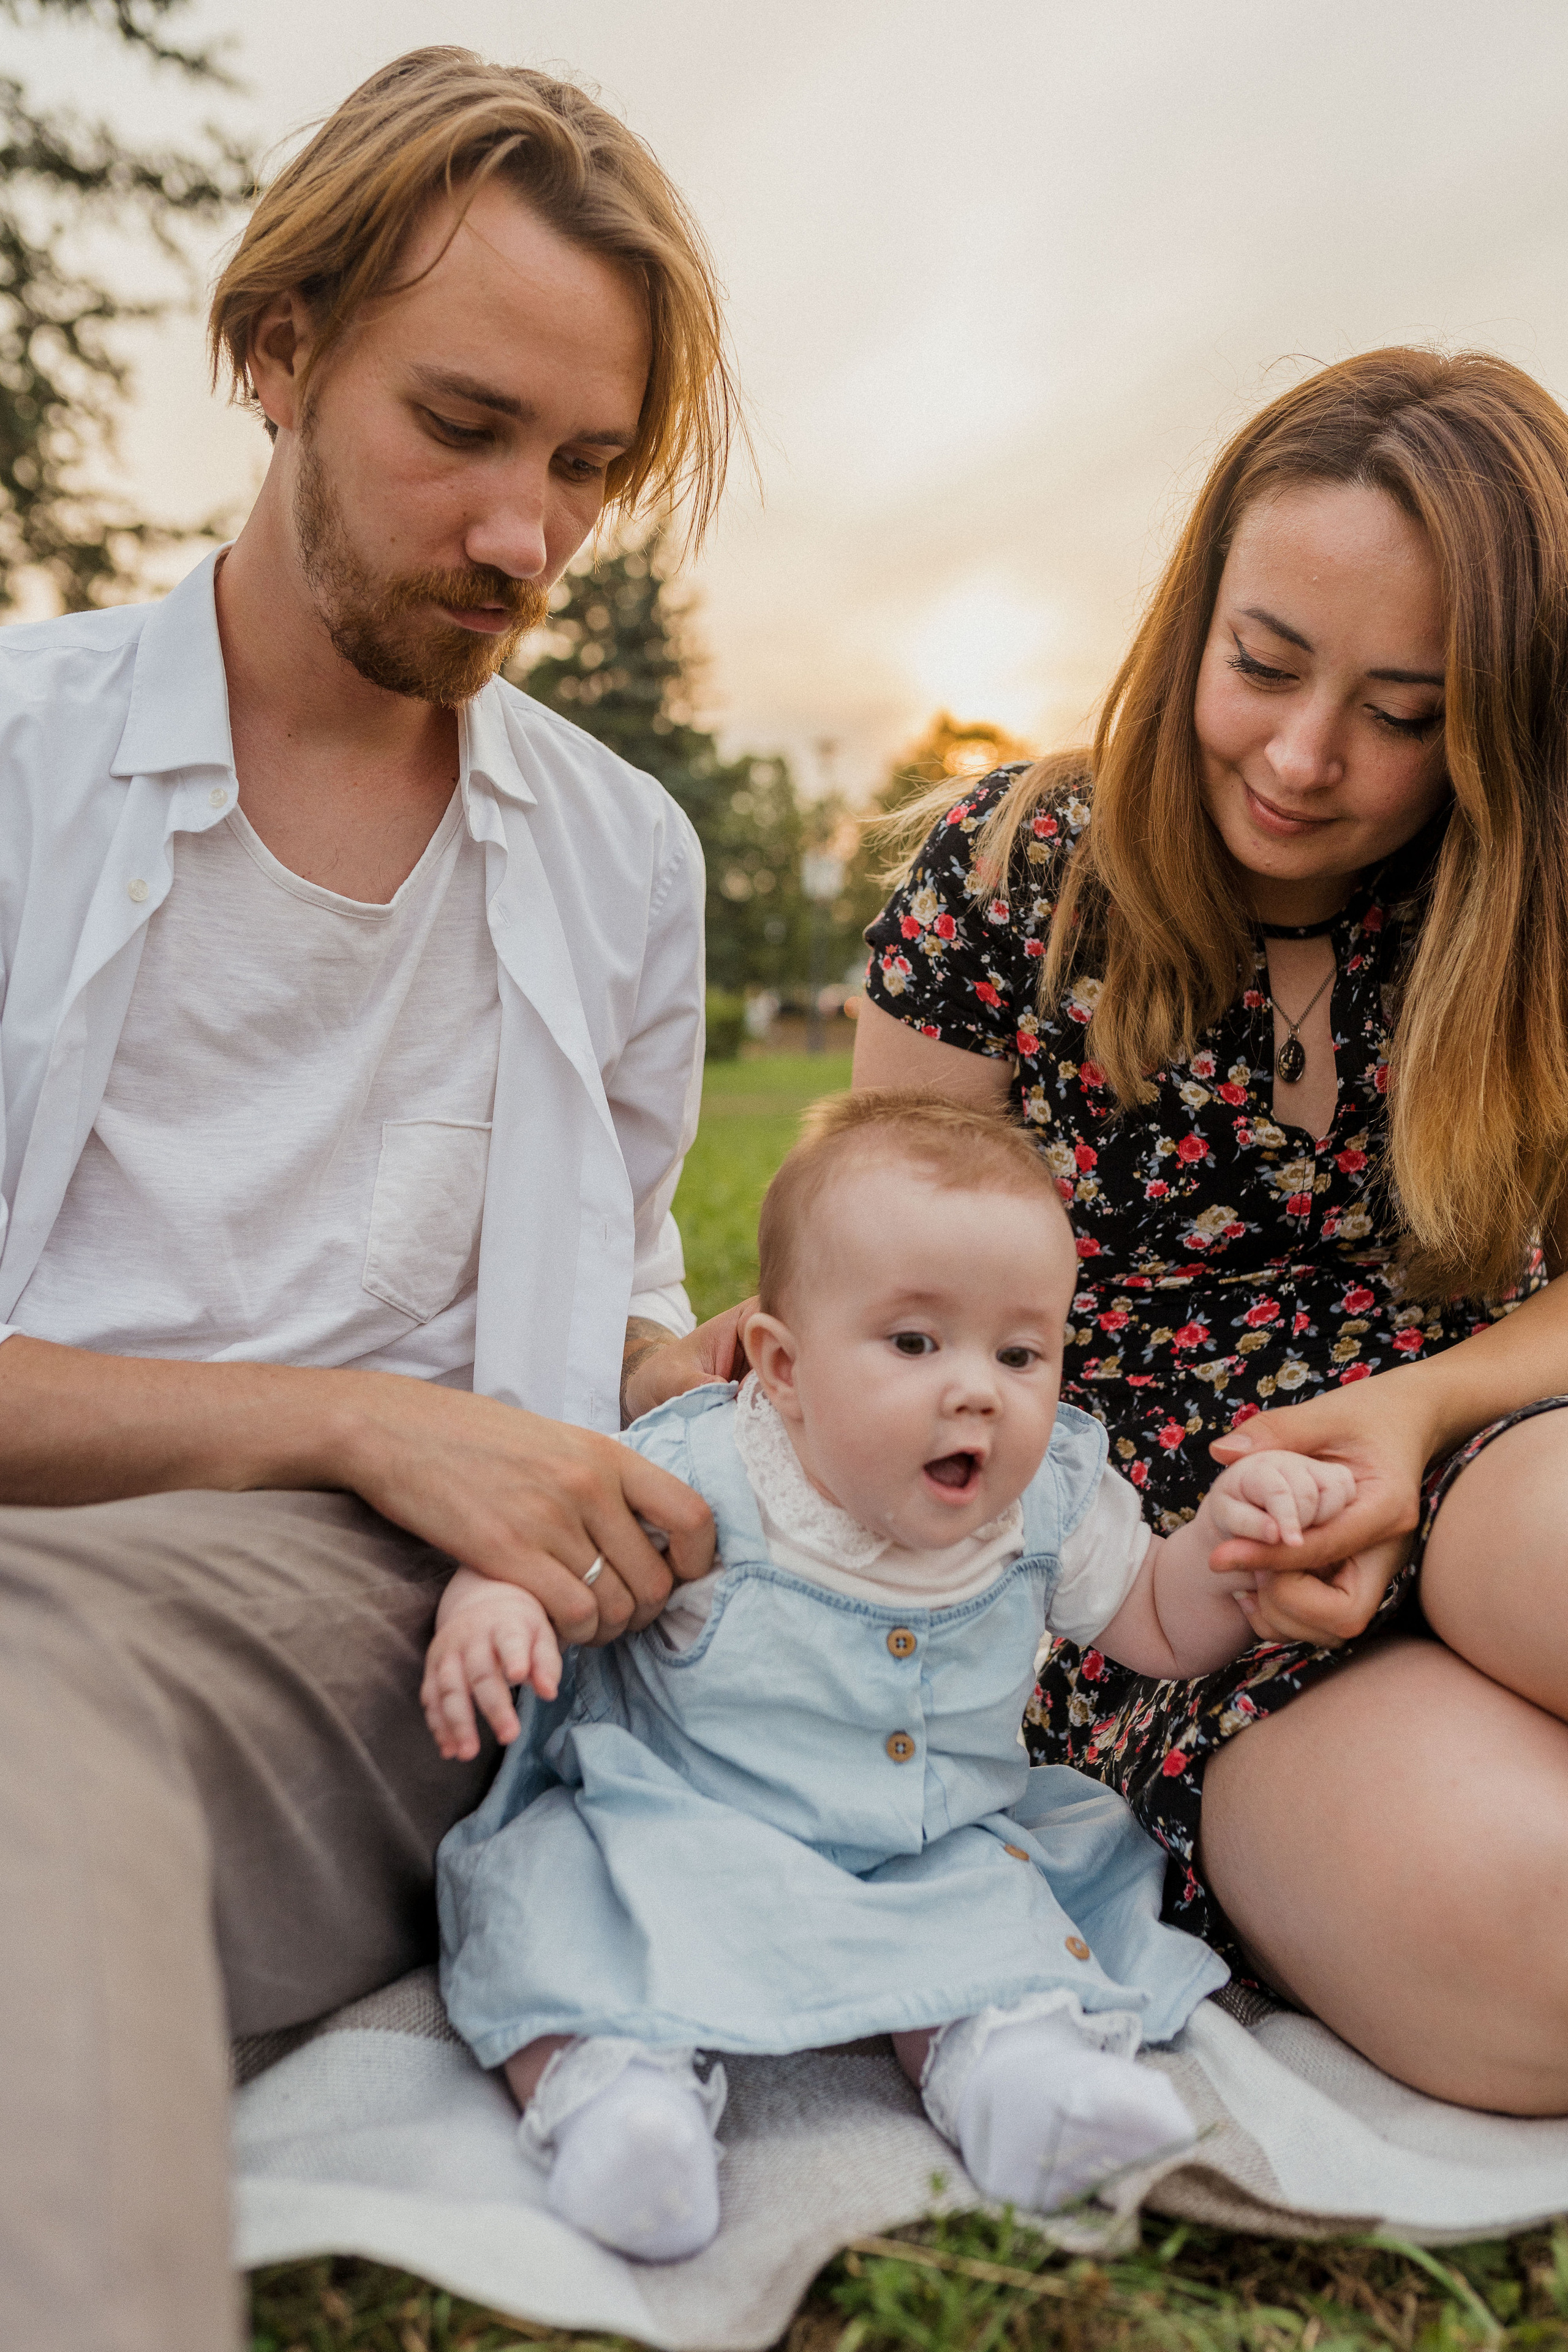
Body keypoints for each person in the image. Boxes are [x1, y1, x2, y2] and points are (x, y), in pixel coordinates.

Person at [0, 47, 750, 2352]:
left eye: (589, 468)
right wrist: (347, 1413)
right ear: (275, 351)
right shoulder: (23, 769)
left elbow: (602, 1283)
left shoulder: (619, 853)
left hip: (386, 1631)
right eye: (465, 428)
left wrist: (688, 1380)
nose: (529, 536)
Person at [855, 346, 1568, 2120]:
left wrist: (1411, 1422)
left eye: (1407, 712)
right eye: (1263, 664)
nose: (1307, 757)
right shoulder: (1013, 879)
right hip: (1171, 1567)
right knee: (1539, 1961)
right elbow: (896, 1316)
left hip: (1489, 1428)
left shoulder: (1537, 909)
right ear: (1195, 619)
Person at [429, 1093, 1357, 2258]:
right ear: (783, 1366)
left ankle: (1015, 2081)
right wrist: (497, 1602)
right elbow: (555, 1540)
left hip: (924, 1841)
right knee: (570, 1914)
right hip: (682, 1818)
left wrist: (1227, 1544)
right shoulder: (705, 1468)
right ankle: (614, 2101)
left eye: (1021, 1352)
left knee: (995, 1933)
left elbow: (1159, 1623)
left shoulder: (1045, 1497)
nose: (978, 1388)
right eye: (915, 1343)